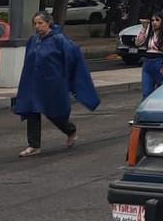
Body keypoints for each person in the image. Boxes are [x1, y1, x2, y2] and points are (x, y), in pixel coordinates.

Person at [14, 12, 100, 157]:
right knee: (32, 111)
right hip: (34, 83)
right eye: (35, 23)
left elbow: (73, 56)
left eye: (40, 23)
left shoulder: (59, 40)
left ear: (49, 23)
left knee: (55, 113)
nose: (37, 26)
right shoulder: (33, 40)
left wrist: (68, 77)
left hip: (53, 83)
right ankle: (34, 145)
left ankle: (70, 130)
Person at [135, 15, 163, 98]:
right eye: (152, 20)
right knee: (146, 92)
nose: (154, 22)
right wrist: (144, 28)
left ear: (162, 22)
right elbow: (138, 43)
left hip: (159, 62)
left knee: (161, 91)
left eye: (157, 20)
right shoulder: (150, 32)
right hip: (147, 63)